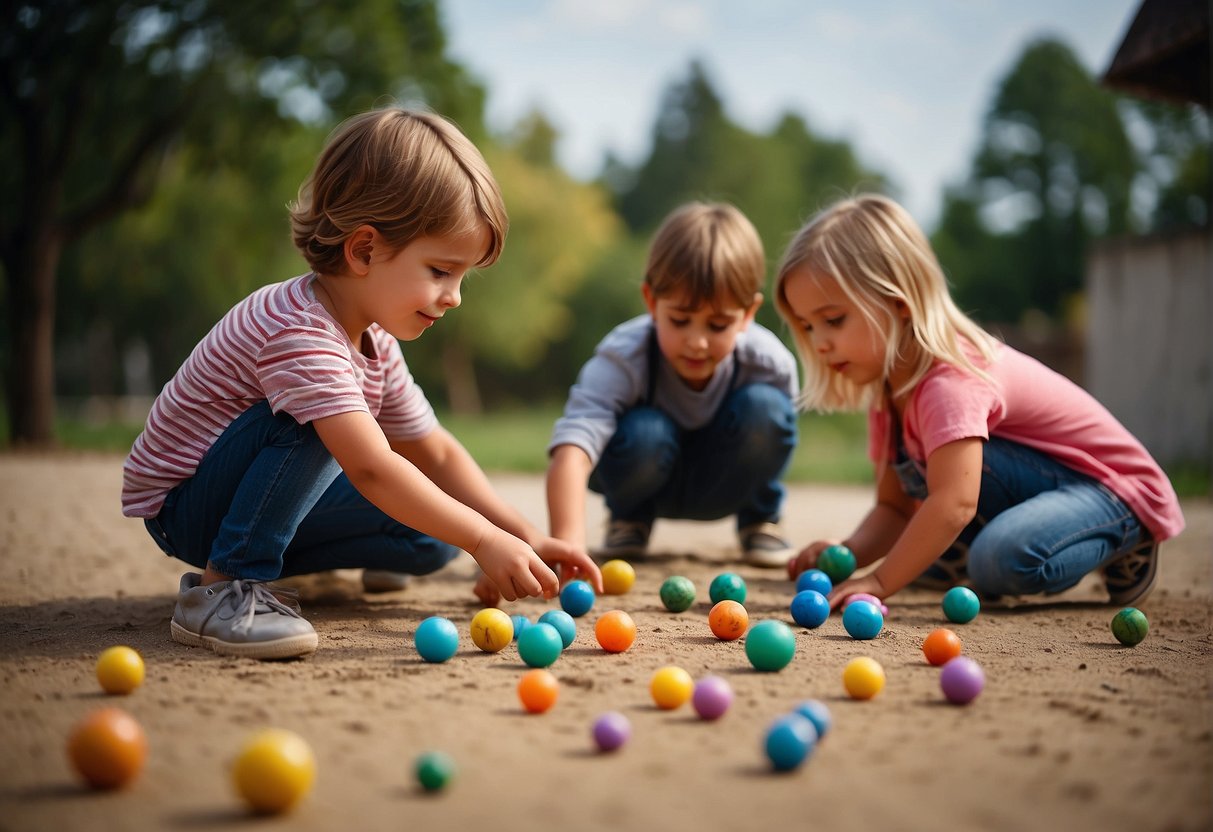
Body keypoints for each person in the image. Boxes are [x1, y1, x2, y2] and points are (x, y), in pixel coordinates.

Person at [121, 106, 601, 660]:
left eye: (463, 276)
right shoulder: (299, 330)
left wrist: (517, 535)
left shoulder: (374, 338)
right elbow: (371, 465)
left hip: (247, 492)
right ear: (364, 249)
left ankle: (274, 553)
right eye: (441, 271)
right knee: (330, 431)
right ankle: (226, 584)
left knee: (428, 533)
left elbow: (433, 449)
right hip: (188, 507)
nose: (455, 296)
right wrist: (482, 539)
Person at [774, 193, 1184, 608]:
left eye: (833, 320)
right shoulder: (888, 393)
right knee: (943, 509)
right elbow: (895, 508)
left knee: (998, 561)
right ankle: (960, 550)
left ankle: (1129, 538)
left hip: (1114, 489)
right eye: (808, 327)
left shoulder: (949, 382)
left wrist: (880, 582)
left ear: (897, 305)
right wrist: (846, 556)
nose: (819, 343)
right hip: (1045, 485)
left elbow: (954, 503)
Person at [546, 201, 800, 568]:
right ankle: (630, 517)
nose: (696, 341)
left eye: (717, 325)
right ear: (651, 301)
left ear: (747, 315)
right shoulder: (624, 356)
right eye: (680, 320)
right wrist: (568, 542)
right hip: (644, 474)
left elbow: (776, 446)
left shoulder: (768, 363)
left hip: (726, 483)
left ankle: (760, 518)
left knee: (766, 410)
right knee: (645, 432)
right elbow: (573, 447)